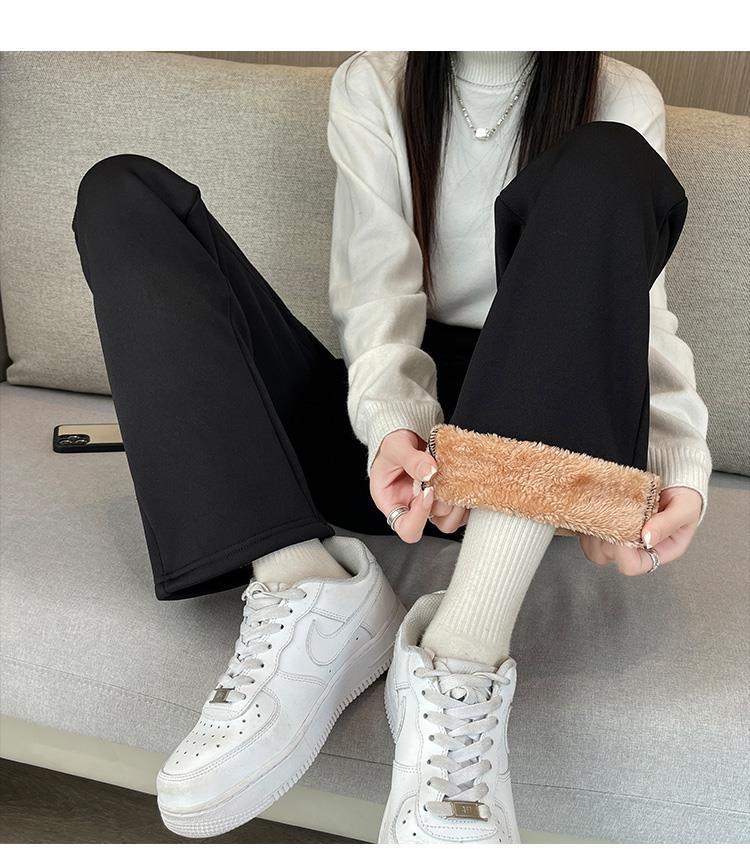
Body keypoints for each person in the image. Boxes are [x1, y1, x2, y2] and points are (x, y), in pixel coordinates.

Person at [71, 51, 711, 844]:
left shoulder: (619, 95)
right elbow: (376, 294)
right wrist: (393, 428)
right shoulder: (376, 80)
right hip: (398, 431)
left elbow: (639, 311)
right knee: (122, 192)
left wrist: (677, 463)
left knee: (609, 163)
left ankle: (462, 650)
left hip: (537, 440)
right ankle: (304, 587)